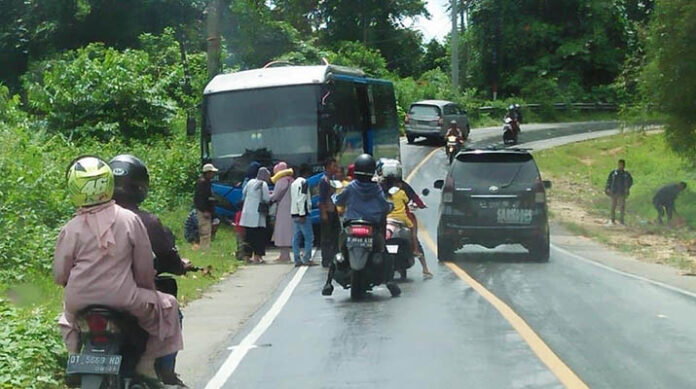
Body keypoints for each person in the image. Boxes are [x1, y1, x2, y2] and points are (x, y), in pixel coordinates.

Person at [54, 156, 183, 380]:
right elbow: (144, 269)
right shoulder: (129, 219)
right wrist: (147, 289)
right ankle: (147, 364)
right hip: (123, 298)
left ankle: (74, 357)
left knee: (67, 319)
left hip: (79, 301)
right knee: (169, 306)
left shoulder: (71, 228)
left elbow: (60, 274)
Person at [109, 154, 190, 386]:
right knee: (171, 311)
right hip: (131, 295)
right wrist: (179, 266)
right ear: (140, 187)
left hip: (88, 295)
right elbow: (160, 259)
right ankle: (164, 372)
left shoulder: (86, 218)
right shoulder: (143, 221)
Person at [326, 154, 400, 297]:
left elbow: (339, 200)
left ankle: (328, 284)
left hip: (351, 226)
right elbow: (385, 206)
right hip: (372, 227)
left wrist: (334, 197)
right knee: (385, 252)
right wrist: (389, 207)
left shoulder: (351, 187)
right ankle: (390, 281)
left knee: (338, 250)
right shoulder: (376, 189)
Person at [240, 167, 271, 263]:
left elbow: (243, 193)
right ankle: (257, 257)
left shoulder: (250, 182)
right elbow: (266, 198)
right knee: (258, 236)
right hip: (258, 214)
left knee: (248, 236)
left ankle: (246, 257)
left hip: (247, 213)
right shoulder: (263, 184)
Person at [290, 165, 315, 266]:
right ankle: (307, 258)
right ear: (306, 174)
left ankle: (297, 259)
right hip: (302, 214)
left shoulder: (293, 183)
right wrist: (302, 214)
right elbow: (302, 199)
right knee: (308, 237)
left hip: (294, 213)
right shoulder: (304, 182)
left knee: (296, 237)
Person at [270, 162, 294, 262]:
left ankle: (283, 255)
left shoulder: (280, 181)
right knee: (289, 231)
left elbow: (275, 196)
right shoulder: (292, 180)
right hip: (291, 208)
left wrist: (269, 195)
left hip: (282, 209)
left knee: (281, 231)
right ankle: (286, 254)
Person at [319, 158, 341, 267]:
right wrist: (324, 213)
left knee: (335, 235)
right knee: (326, 237)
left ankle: (334, 257)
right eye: (334, 166)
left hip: (333, 210)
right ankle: (326, 260)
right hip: (327, 211)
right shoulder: (324, 181)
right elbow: (322, 200)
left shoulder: (332, 179)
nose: (336, 168)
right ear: (328, 167)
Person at [194, 163, 218, 250]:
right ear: (207, 173)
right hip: (204, 211)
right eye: (212, 172)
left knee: (208, 231)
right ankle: (204, 249)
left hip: (207, 210)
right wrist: (205, 210)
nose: (213, 174)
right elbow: (201, 198)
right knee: (205, 231)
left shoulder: (206, 182)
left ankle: (206, 248)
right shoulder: (203, 183)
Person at [604, 159, 634, 225]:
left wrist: (627, 188)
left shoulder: (626, 174)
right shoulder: (614, 173)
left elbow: (631, 182)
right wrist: (607, 188)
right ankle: (612, 219)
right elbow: (609, 181)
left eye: (622, 165)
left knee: (622, 206)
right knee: (613, 206)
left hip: (622, 192)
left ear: (624, 165)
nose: (621, 166)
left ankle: (621, 220)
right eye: (619, 164)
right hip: (614, 191)